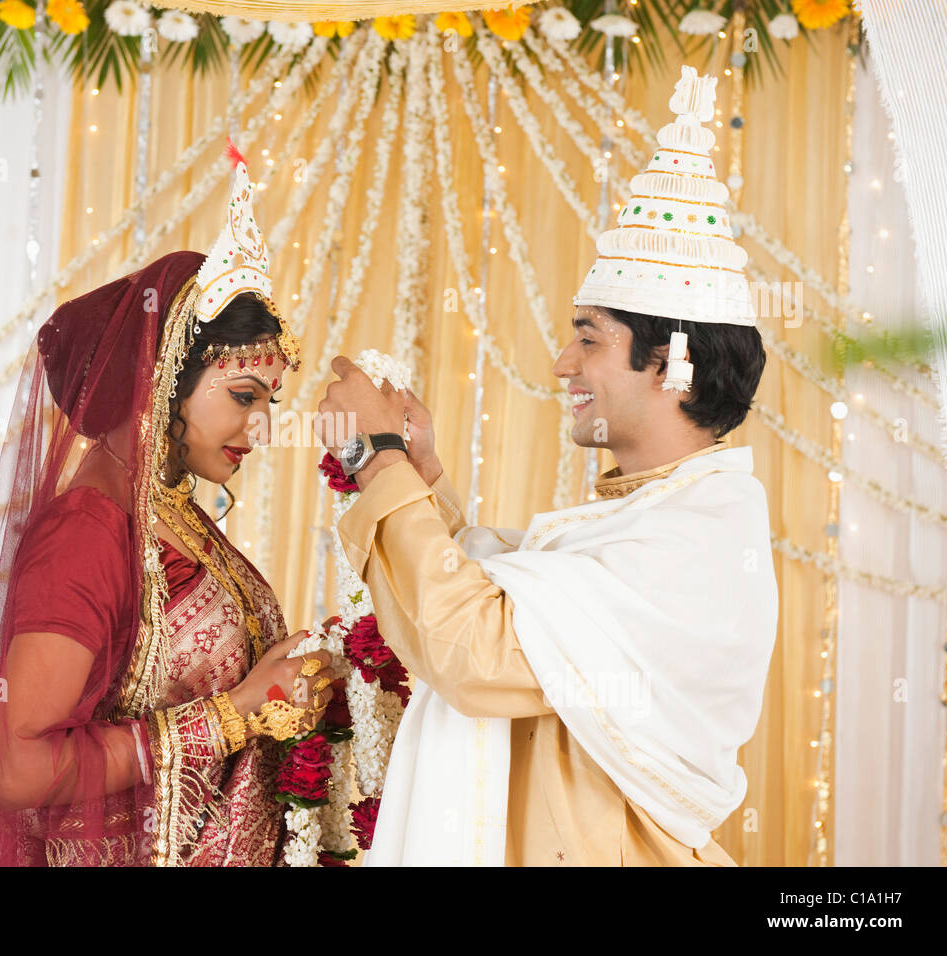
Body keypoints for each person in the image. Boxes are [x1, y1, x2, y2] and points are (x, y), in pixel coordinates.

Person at [315, 66, 778, 865]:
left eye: (589, 338)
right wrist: (421, 477)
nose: (562, 362)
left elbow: (473, 652)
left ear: (672, 365)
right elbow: (519, 612)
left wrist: (376, 454)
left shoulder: (700, 537)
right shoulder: (653, 512)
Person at [0, 144, 336, 866]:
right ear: (158, 382)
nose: (262, 426)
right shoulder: (85, 534)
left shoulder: (168, 513)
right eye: (244, 397)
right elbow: (18, 769)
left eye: (268, 402)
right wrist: (234, 714)